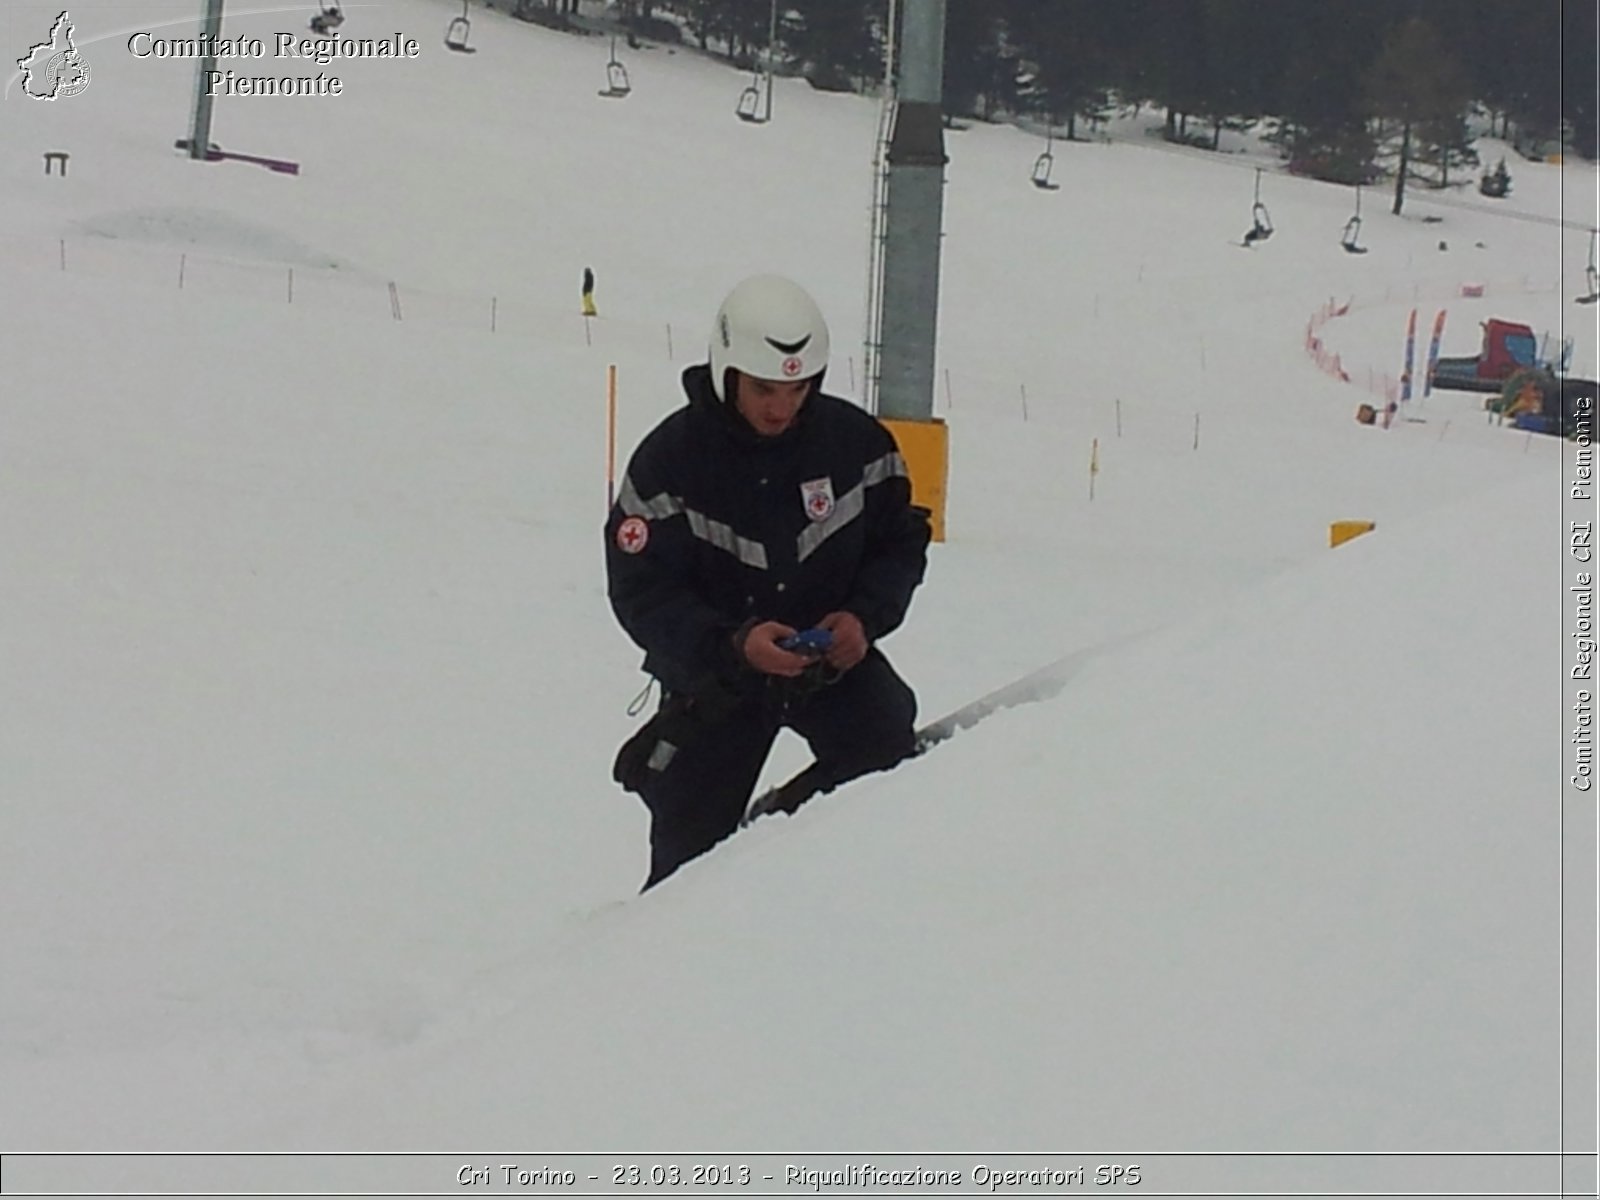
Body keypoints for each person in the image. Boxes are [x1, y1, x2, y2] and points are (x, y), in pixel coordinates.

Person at [605, 274, 932, 889]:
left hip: (827, 665)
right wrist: (729, 644)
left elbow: (899, 542)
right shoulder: (668, 463)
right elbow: (640, 591)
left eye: (799, 387)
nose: (783, 407)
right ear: (727, 371)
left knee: (889, 749)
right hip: (719, 681)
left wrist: (863, 617)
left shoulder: (857, 446)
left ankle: (788, 860)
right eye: (764, 390)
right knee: (687, 867)